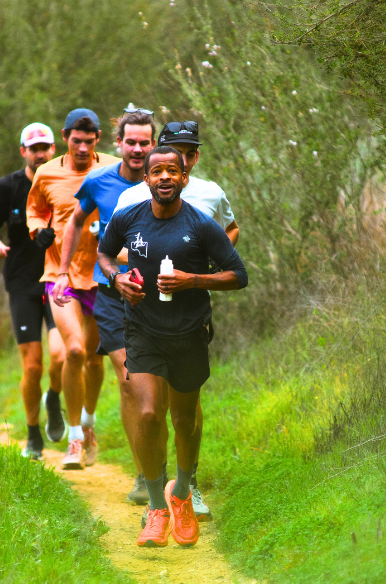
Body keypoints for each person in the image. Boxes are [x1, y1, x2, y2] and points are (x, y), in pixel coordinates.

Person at [97, 146, 248, 547]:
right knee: (148, 413)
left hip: (189, 332)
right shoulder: (128, 217)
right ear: (146, 178)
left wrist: (192, 280)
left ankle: (180, 493)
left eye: (172, 170)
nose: (164, 176)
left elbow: (238, 275)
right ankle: (155, 508)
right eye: (157, 171)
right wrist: (116, 279)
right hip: (142, 329)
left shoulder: (201, 225)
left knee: (184, 421)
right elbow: (104, 254)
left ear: (184, 177)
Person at [53, 107, 156, 502]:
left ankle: (164, 468)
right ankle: (144, 474)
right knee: (128, 381)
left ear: (153, 144)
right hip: (111, 292)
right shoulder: (99, 182)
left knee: (155, 388)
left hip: (154, 293)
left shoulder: (163, 181)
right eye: (131, 142)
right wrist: (63, 271)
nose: (137, 149)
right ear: (118, 143)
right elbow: (75, 221)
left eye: (144, 143)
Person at [26, 109, 120, 469]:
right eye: (76, 141)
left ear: (98, 139)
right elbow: (35, 211)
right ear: (65, 137)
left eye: (89, 141)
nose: (82, 148)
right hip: (59, 273)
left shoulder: (112, 167)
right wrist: (39, 231)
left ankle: (89, 424)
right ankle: (75, 439)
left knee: (95, 357)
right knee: (75, 351)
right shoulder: (47, 172)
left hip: (101, 274)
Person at [0, 122, 66, 460]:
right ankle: (33, 435)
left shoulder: (64, 182)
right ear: (23, 152)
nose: (40, 154)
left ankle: (53, 398)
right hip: (22, 283)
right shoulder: (8, 187)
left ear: (53, 149)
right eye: (34, 149)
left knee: (61, 355)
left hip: (58, 279)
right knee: (32, 366)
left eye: (45, 147)